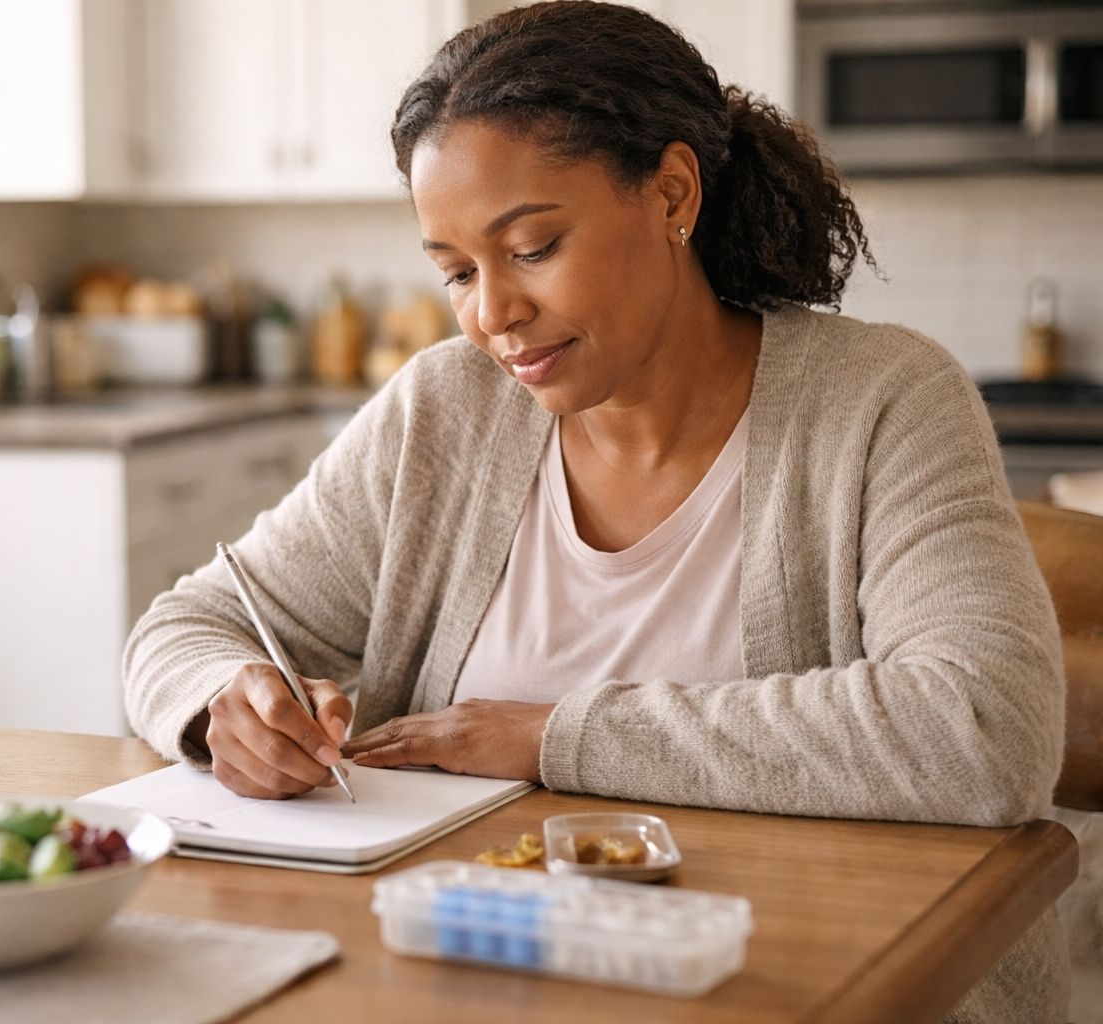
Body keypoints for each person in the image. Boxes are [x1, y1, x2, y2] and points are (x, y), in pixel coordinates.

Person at [122, 4, 1068, 1020]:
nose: (492, 312)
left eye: (532, 246)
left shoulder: (884, 399)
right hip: (469, 984)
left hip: (809, 983)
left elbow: (982, 729)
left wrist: (552, 735)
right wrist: (228, 701)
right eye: (454, 272)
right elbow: (182, 627)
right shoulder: (444, 412)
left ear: (672, 193)